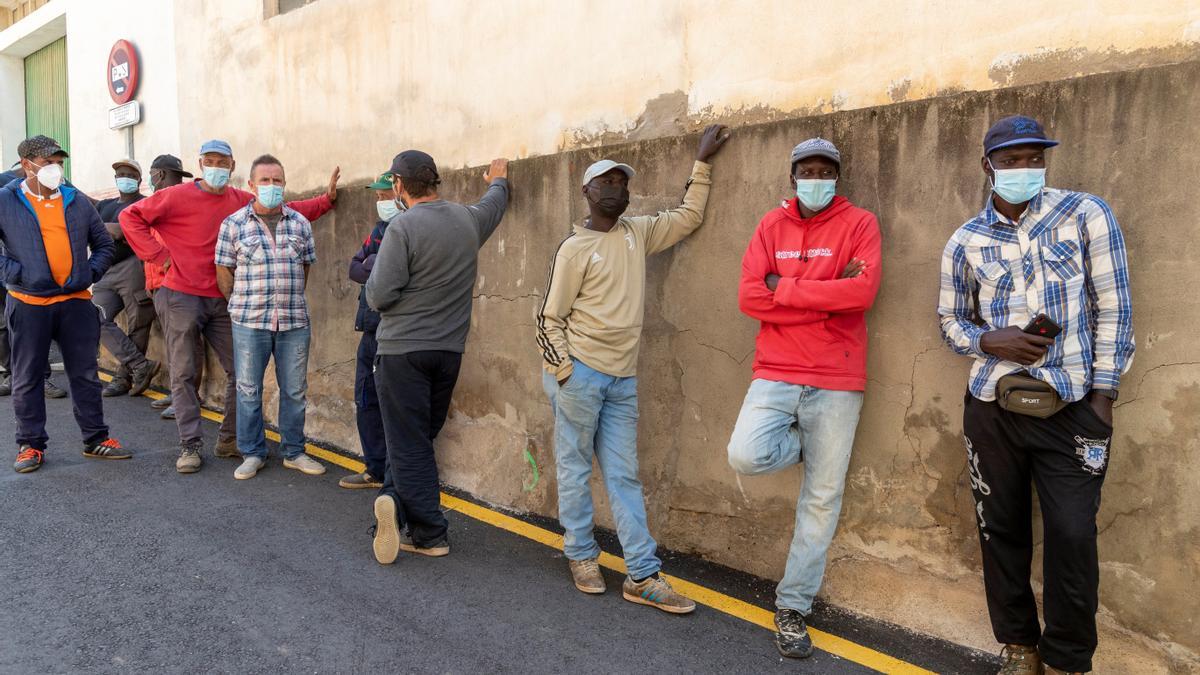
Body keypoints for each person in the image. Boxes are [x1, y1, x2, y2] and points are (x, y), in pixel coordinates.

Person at [937, 115, 1134, 675]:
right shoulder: (965, 241)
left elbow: (1115, 307)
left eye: (1033, 158)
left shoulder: (1085, 214)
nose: (1024, 168)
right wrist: (986, 338)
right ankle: (1020, 646)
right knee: (1001, 530)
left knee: (1073, 534)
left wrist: (1103, 397)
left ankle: (1070, 659)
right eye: (1011, 159)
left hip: (1072, 407)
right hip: (993, 408)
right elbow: (949, 321)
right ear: (988, 167)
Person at [536, 124, 730, 614]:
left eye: (623, 183)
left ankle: (642, 575)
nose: (617, 189)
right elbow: (549, 319)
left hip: (623, 380)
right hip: (580, 375)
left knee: (624, 476)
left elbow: (687, 217)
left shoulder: (636, 233)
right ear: (587, 191)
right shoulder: (574, 248)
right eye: (607, 182)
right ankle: (581, 555)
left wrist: (701, 163)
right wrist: (565, 372)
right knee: (575, 469)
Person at [725, 137, 882, 657]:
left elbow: (861, 294)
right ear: (793, 177)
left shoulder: (860, 224)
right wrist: (824, 296)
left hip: (838, 379)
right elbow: (750, 296)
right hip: (776, 370)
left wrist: (785, 287)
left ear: (837, 176)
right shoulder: (771, 226)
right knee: (745, 454)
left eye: (826, 170)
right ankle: (805, 448)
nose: (817, 178)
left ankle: (793, 606)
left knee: (821, 498)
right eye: (807, 170)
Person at [120, 140, 337, 474]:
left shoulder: (241, 201)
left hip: (225, 300)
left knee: (242, 374)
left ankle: (230, 440)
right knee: (185, 372)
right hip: (181, 295)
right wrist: (158, 256)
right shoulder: (175, 196)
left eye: (223, 162)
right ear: (201, 163)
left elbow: (287, 211)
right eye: (211, 161)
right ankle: (190, 445)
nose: (217, 167)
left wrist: (326, 200)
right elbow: (129, 216)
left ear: (233, 166)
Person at [366, 150, 509, 563]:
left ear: (398, 184)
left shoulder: (402, 227)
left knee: (407, 443)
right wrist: (498, 180)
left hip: (401, 353)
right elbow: (494, 206)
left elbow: (378, 294)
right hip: (448, 353)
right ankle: (393, 497)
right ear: (434, 182)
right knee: (415, 439)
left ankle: (430, 533)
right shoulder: (466, 219)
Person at [0, 135, 130, 473]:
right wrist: (17, 273)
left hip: (75, 302)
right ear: (26, 164)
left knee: (85, 374)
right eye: (47, 162)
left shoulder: (76, 201)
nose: (55, 168)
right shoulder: (6, 200)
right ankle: (30, 445)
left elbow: (103, 243)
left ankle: (96, 438)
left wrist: (90, 272)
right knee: (27, 377)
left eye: (58, 161)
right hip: (29, 303)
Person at [214, 154, 324, 480]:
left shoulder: (300, 224)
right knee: (248, 389)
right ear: (251, 185)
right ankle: (252, 452)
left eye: (277, 181)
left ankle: (294, 451)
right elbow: (224, 272)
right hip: (249, 322)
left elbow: (304, 267)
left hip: (293, 321)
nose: (272, 187)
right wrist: (240, 304)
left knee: (294, 390)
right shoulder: (233, 225)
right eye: (265, 181)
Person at [339, 173, 399, 489]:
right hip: (368, 329)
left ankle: (395, 475)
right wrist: (375, 259)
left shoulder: (409, 228)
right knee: (366, 400)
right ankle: (375, 469)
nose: (381, 202)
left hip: (392, 332)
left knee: (393, 406)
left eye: (386, 195)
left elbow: (391, 271)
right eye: (378, 197)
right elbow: (354, 267)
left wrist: (374, 261)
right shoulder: (379, 230)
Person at [93, 159, 159, 397]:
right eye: (120, 173)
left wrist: (107, 228)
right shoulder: (105, 205)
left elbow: (123, 231)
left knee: (138, 322)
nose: (124, 177)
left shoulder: (144, 203)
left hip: (134, 265)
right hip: (106, 268)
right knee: (92, 317)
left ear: (139, 180)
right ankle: (140, 365)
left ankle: (123, 378)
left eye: (130, 174)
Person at [143, 154, 201, 420]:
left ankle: (187, 398)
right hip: (160, 285)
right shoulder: (156, 204)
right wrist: (151, 283)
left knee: (185, 344)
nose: (151, 178)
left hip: (177, 284)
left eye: (153, 174)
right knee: (175, 343)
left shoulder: (176, 202)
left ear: (160, 175)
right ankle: (180, 394)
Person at [0, 164, 61, 399]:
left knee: (30, 325)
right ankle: (13, 375)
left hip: (16, 270)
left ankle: (41, 379)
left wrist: (16, 270)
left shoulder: (9, 181)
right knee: (3, 327)